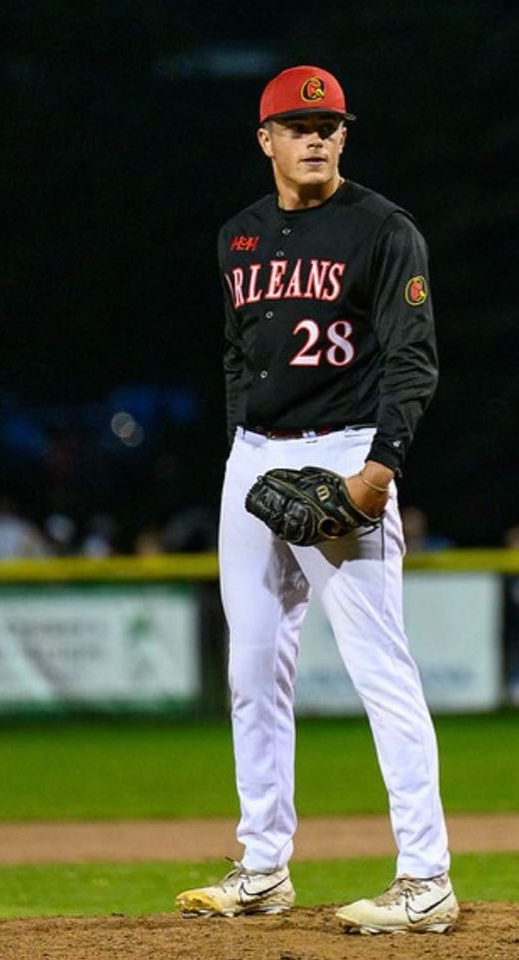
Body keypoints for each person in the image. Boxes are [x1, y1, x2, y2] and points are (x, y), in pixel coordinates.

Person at [175, 65, 457, 934]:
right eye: (298, 125)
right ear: (266, 140)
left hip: (346, 456)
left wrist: (379, 471)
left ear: (344, 134)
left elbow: (413, 358)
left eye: (329, 123)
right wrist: (238, 449)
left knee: (381, 668)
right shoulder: (239, 237)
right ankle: (263, 865)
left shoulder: (382, 229)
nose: (316, 136)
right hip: (254, 459)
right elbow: (236, 357)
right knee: (251, 669)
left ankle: (427, 876)